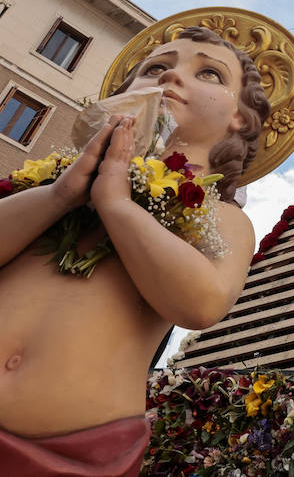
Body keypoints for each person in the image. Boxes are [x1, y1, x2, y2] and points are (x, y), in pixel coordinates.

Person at [0, 26, 271, 475]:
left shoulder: (221, 217)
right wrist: (59, 197)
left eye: (208, 73)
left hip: (74, 450)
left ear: (240, 118)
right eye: (155, 68)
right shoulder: (52, 184)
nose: (172, 77)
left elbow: (202, 304)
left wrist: (117, 205)